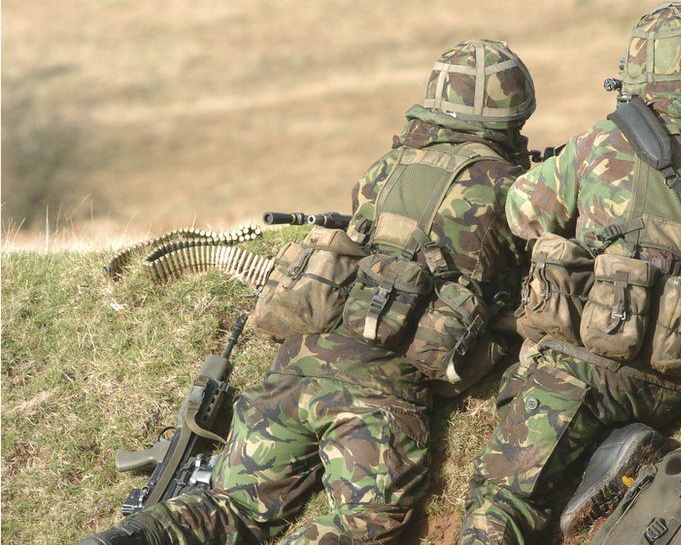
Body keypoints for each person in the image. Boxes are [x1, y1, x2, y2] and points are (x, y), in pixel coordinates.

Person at [83, 38, 535, 545]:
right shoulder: (509, 186)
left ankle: (126, 538)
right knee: (371, 521)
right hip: (375, 392)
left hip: (296, 365)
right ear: (512, 113)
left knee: (231, 506)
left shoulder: (385, 167)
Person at [460, 2, 681, 543]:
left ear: (637, 71)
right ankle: (618, 449)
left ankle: (609, 450)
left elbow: (522, 212)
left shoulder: (600, 142)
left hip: (581, 366)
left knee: (499, 503)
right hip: (680, 375)